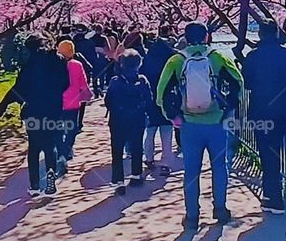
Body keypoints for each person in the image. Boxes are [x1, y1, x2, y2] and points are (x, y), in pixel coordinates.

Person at [156, 22, 243, 229]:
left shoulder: (176, 60)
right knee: (220, 167)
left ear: (185, 38)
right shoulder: (217, 57)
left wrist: (173, 116)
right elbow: (238, 82)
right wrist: (228, 109)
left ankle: (192, 216)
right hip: (216, 123)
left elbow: (162, 92)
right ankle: (220, 210)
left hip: (189, 125)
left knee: (191, 171)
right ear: (206, 37)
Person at [0, 34, 69, 196]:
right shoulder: (59, 60)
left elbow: (18, 88)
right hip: (53, 110)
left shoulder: (28, 65)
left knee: (34, 147)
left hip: (33, 110)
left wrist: (3, 105)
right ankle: (50, 175)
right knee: (50, 144)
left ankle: (34, 185)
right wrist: (55, 95)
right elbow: (66, 83)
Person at [242, 21, 286, 214]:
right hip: (284, 109)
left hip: (261, 111)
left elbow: (248, 83)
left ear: (260, 34)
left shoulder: (252, 56)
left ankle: (272, 196)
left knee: (267, 154)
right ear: (277, 34)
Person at [104, 49, 153, 195]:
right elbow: (149, 100)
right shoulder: (142, 80)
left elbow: (108, 101)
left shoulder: (115, 81)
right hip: (137, 119)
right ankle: (136, 176)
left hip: (118, 120)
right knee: (137, 146)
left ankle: (119, 181)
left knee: (117, 150)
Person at [142, 24, 175, 175]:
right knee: (167, 132)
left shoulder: (148, 57)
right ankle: (165, 163)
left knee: (150, 131)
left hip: (150, 98)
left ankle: (149, 158)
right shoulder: (172, 57)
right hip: (167, 98)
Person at [56, 39, 93, 168]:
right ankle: (67, 149)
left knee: (58, 128)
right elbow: (83, 83)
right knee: (72, 128)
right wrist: (88, 94)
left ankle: (61, 152)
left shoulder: (53, 65)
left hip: (57, 103)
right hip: (73, 103)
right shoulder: (77, 65)